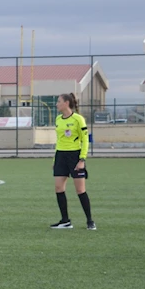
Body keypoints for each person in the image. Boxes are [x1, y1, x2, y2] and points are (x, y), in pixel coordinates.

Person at [51, 92, 95, 230]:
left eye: (59, 101)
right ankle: (65, 221)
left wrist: (82, 159)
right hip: (60, 156)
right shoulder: (58, 119)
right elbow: (59, 140)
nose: (57, 104)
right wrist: (55, 159)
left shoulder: (78, 119)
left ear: (66, 103)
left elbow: (85, 140)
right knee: (58, 188)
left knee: (80, 190)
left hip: (75, 156)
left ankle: (90, 221)